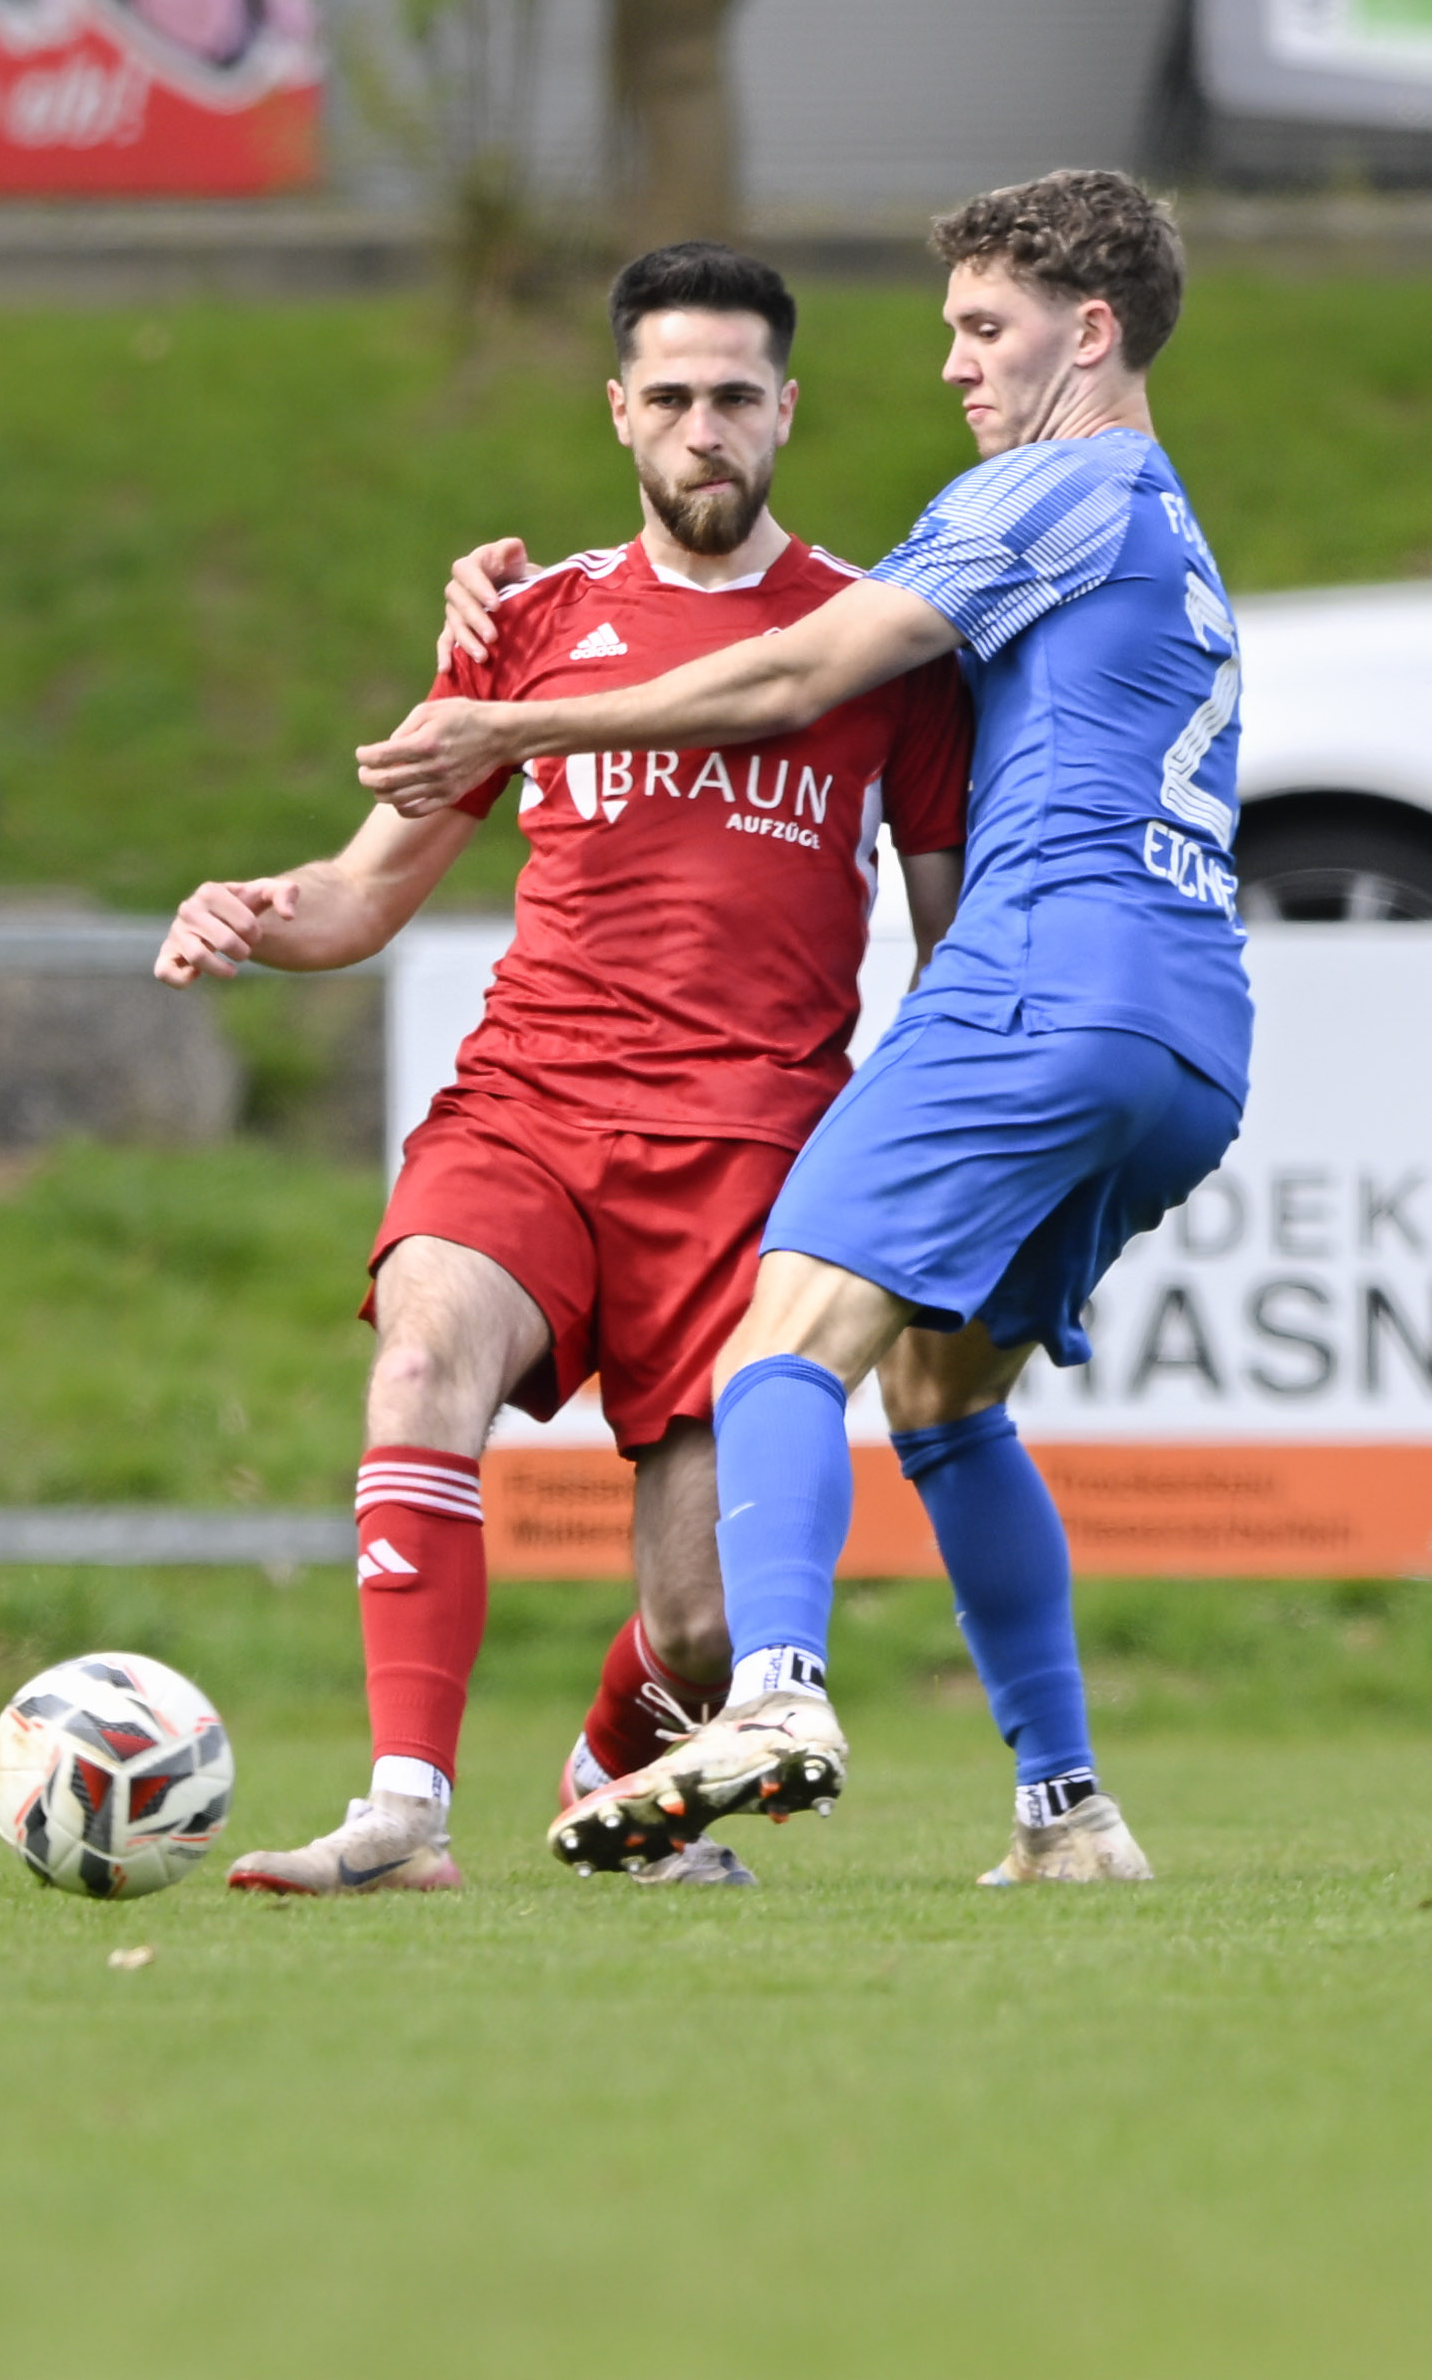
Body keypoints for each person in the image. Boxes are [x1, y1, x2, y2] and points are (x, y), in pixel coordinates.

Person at [367, 169, 1247, 1886]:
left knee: (776, 1346)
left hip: (1040, 981)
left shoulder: (1054, 485)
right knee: (945, 1396)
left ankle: (771, 1695)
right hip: (1191, 1029)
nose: (956, 365)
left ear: (1091, 333)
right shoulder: (1167, 526)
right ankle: (1067, 1811)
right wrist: (520, 600)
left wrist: (521, 717)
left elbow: (788, 670)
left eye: (983, 328)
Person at [157, 242, 972, 1896]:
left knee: (704, 1618)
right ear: (617, 411)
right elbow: (362, 890)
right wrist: (251, 906)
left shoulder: (881, 649)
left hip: (752, 1148)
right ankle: (403, 1811)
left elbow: (951, 944)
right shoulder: (528, 621)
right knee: (421, 1360)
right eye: (669, 397)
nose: (702, 431)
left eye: (734, 396)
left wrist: (928, 1151)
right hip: (532, 1106)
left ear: (789, 408)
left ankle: (614, 1782)